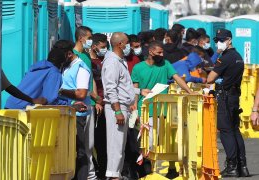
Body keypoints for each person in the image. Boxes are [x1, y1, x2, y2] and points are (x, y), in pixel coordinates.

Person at [131, 41, 196, 179]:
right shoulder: (138, 68)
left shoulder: (165, 64)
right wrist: (135, 107)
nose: (162, 55)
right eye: (159, 52)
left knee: (168, 140)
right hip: (146, 110)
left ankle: (170, 168)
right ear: (150, 52)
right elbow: (135, 89)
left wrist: (190, 92)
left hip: (165, 109)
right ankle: (146, 172)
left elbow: (177, 78)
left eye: (162, 52)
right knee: (148, 143)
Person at [102, 32, 150, 179]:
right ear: (120, 44)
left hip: (123, 106)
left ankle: (117, 173)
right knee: (115, 144)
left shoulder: (119, 60)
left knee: (120, 145)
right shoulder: (112, 62)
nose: (129, 45)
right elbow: (111, 88)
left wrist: (139, 91)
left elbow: (123, 86)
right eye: (127, 42)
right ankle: (113, 174)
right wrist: (117, 111)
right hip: (117, 107)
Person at [207, 29, 249, 177]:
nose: (218, 43)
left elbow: (210, 78)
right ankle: (242, 166)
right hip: (234, 95)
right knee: (234, 130)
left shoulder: (224, 57)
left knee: (225, 131)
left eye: (221, 40)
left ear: (229, 40)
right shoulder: (237, 56)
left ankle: (232, 166)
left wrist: (214, 66)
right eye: (217, 40)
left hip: (224, 96)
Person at [58, 40, 92, 180]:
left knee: (80, 151)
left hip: (78, 114)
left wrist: (61, 91)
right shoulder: (66, 66)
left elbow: (81, 94)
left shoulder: (81, 68)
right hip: (68, 112)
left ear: (69, 54)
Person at [5, 41, 71, 109]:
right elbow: (49, 100)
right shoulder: (54, 73)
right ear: (62, 63)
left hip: (10, 104)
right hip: (22, 109)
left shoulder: (36, 67)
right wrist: (68, 104)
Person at [73, 25, 99, 180]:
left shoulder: (87, 56)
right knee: (80, 144)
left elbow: (91, 81)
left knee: (89, 143)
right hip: (77, 105)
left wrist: (95, 99)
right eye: (89, 38)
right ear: (80, 38)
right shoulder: (72, 56)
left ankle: (90, 174)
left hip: (89, 104)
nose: (91, 41)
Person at [90, 33, 108, 179]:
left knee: (102, 141)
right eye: (102, 47)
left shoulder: (104, 60)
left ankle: (102, 171)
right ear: (94, 46)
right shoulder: (88, 61)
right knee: (94, 141)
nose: (104, 49)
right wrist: (97, 100)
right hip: (97, 104)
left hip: (105, 104)